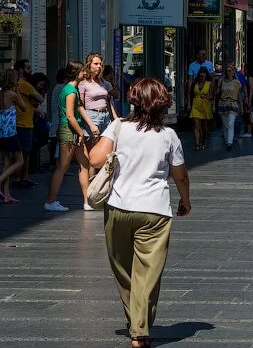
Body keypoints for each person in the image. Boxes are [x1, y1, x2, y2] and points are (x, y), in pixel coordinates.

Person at [88, 78, 190, 348]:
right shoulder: (169, 136)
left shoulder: (118, 127)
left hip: (119, 208)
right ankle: (140, 328)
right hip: (155, 212)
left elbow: (95, 159)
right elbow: (180, 175)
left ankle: (137, 325)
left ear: (134, 101)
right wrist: (186, 201)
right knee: (148, 273)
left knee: (122, 270)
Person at [43, 62, 97, 212]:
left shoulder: (70, 89)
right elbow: (70, 116)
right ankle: (50, 201)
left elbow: (75, 111)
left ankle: (87, 201)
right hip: (69, 130)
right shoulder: (71, 91)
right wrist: (81, 132)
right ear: (76, 73)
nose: (85, 73)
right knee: (63, 166)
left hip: (72, 130)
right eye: (83, 71)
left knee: (84, 163)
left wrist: (84, 128)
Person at [11, 59, 44, 190]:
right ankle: (21, 178)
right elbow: (40, 98)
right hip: (24, 123)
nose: (30, 70)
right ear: (21, 70)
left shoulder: (16, 85)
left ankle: (21, 177)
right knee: (24, 152)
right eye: (28, 68)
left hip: (20, 121)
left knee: (21, 152)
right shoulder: (24, 85)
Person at [1, 69, 26, 204]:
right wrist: (17, 91)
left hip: (1, 133)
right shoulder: (12, 94)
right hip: (10, 133)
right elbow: (24, 107)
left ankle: (6, 194)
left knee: (6, 162)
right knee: (19, 161)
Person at [79, 53, 119, 138]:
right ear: (89, 65)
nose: (99, 66)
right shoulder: (83, 83)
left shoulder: (104, 82)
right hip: (92, 116)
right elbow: (80, 106)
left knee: (106, 147)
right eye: (96, 64)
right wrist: (91, 124)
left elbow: (108, 101)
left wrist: (115, 118)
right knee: (93, 147)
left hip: (106, 116)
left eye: (100, 64)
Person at [216, 63, 243, 151]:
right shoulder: (222, 81)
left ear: (233, 72)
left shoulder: (237, 83)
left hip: (233, 103)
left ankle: (229, 143)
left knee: (230, 123)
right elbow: (217, 93)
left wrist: (241, 107)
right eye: (227, 71)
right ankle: (227, 139)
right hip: (223, 104)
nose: (228, 72)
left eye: (230, 71)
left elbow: (239, 96)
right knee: (225, 125)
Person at [188, 68, 213, 150]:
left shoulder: (209, 84)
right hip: (195, 105)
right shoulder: (195, 83)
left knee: (204, 127)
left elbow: (212, 96)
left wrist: (207, 97)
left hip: (205, 106)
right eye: (201, 73)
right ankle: (197, 144)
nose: (202, 75)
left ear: (206, 75)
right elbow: (190, 94)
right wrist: (189, 104)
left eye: (204, 73)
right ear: (199, 74)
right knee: (196, 126)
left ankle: (204, 140)